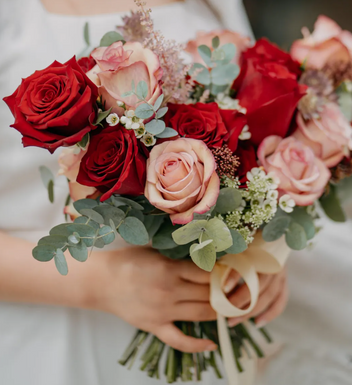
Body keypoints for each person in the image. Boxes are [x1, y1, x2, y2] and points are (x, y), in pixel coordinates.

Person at [0, 1, 288, 384]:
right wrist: (100, 283)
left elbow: (251, 139)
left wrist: (259, 252)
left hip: (212, 319)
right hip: (53, 337)